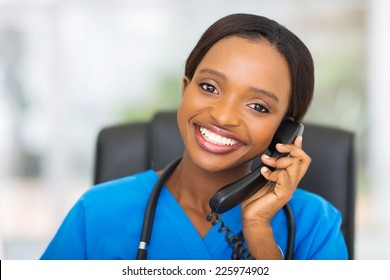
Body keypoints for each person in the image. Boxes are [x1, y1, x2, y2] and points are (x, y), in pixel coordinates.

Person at [40, 13, 348, 260]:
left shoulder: (316, 226)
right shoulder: (97, 212)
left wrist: (258, 233)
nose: (224, 116)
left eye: (258, 106)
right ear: (185, 88)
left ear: (285, 129)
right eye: (209, 87)